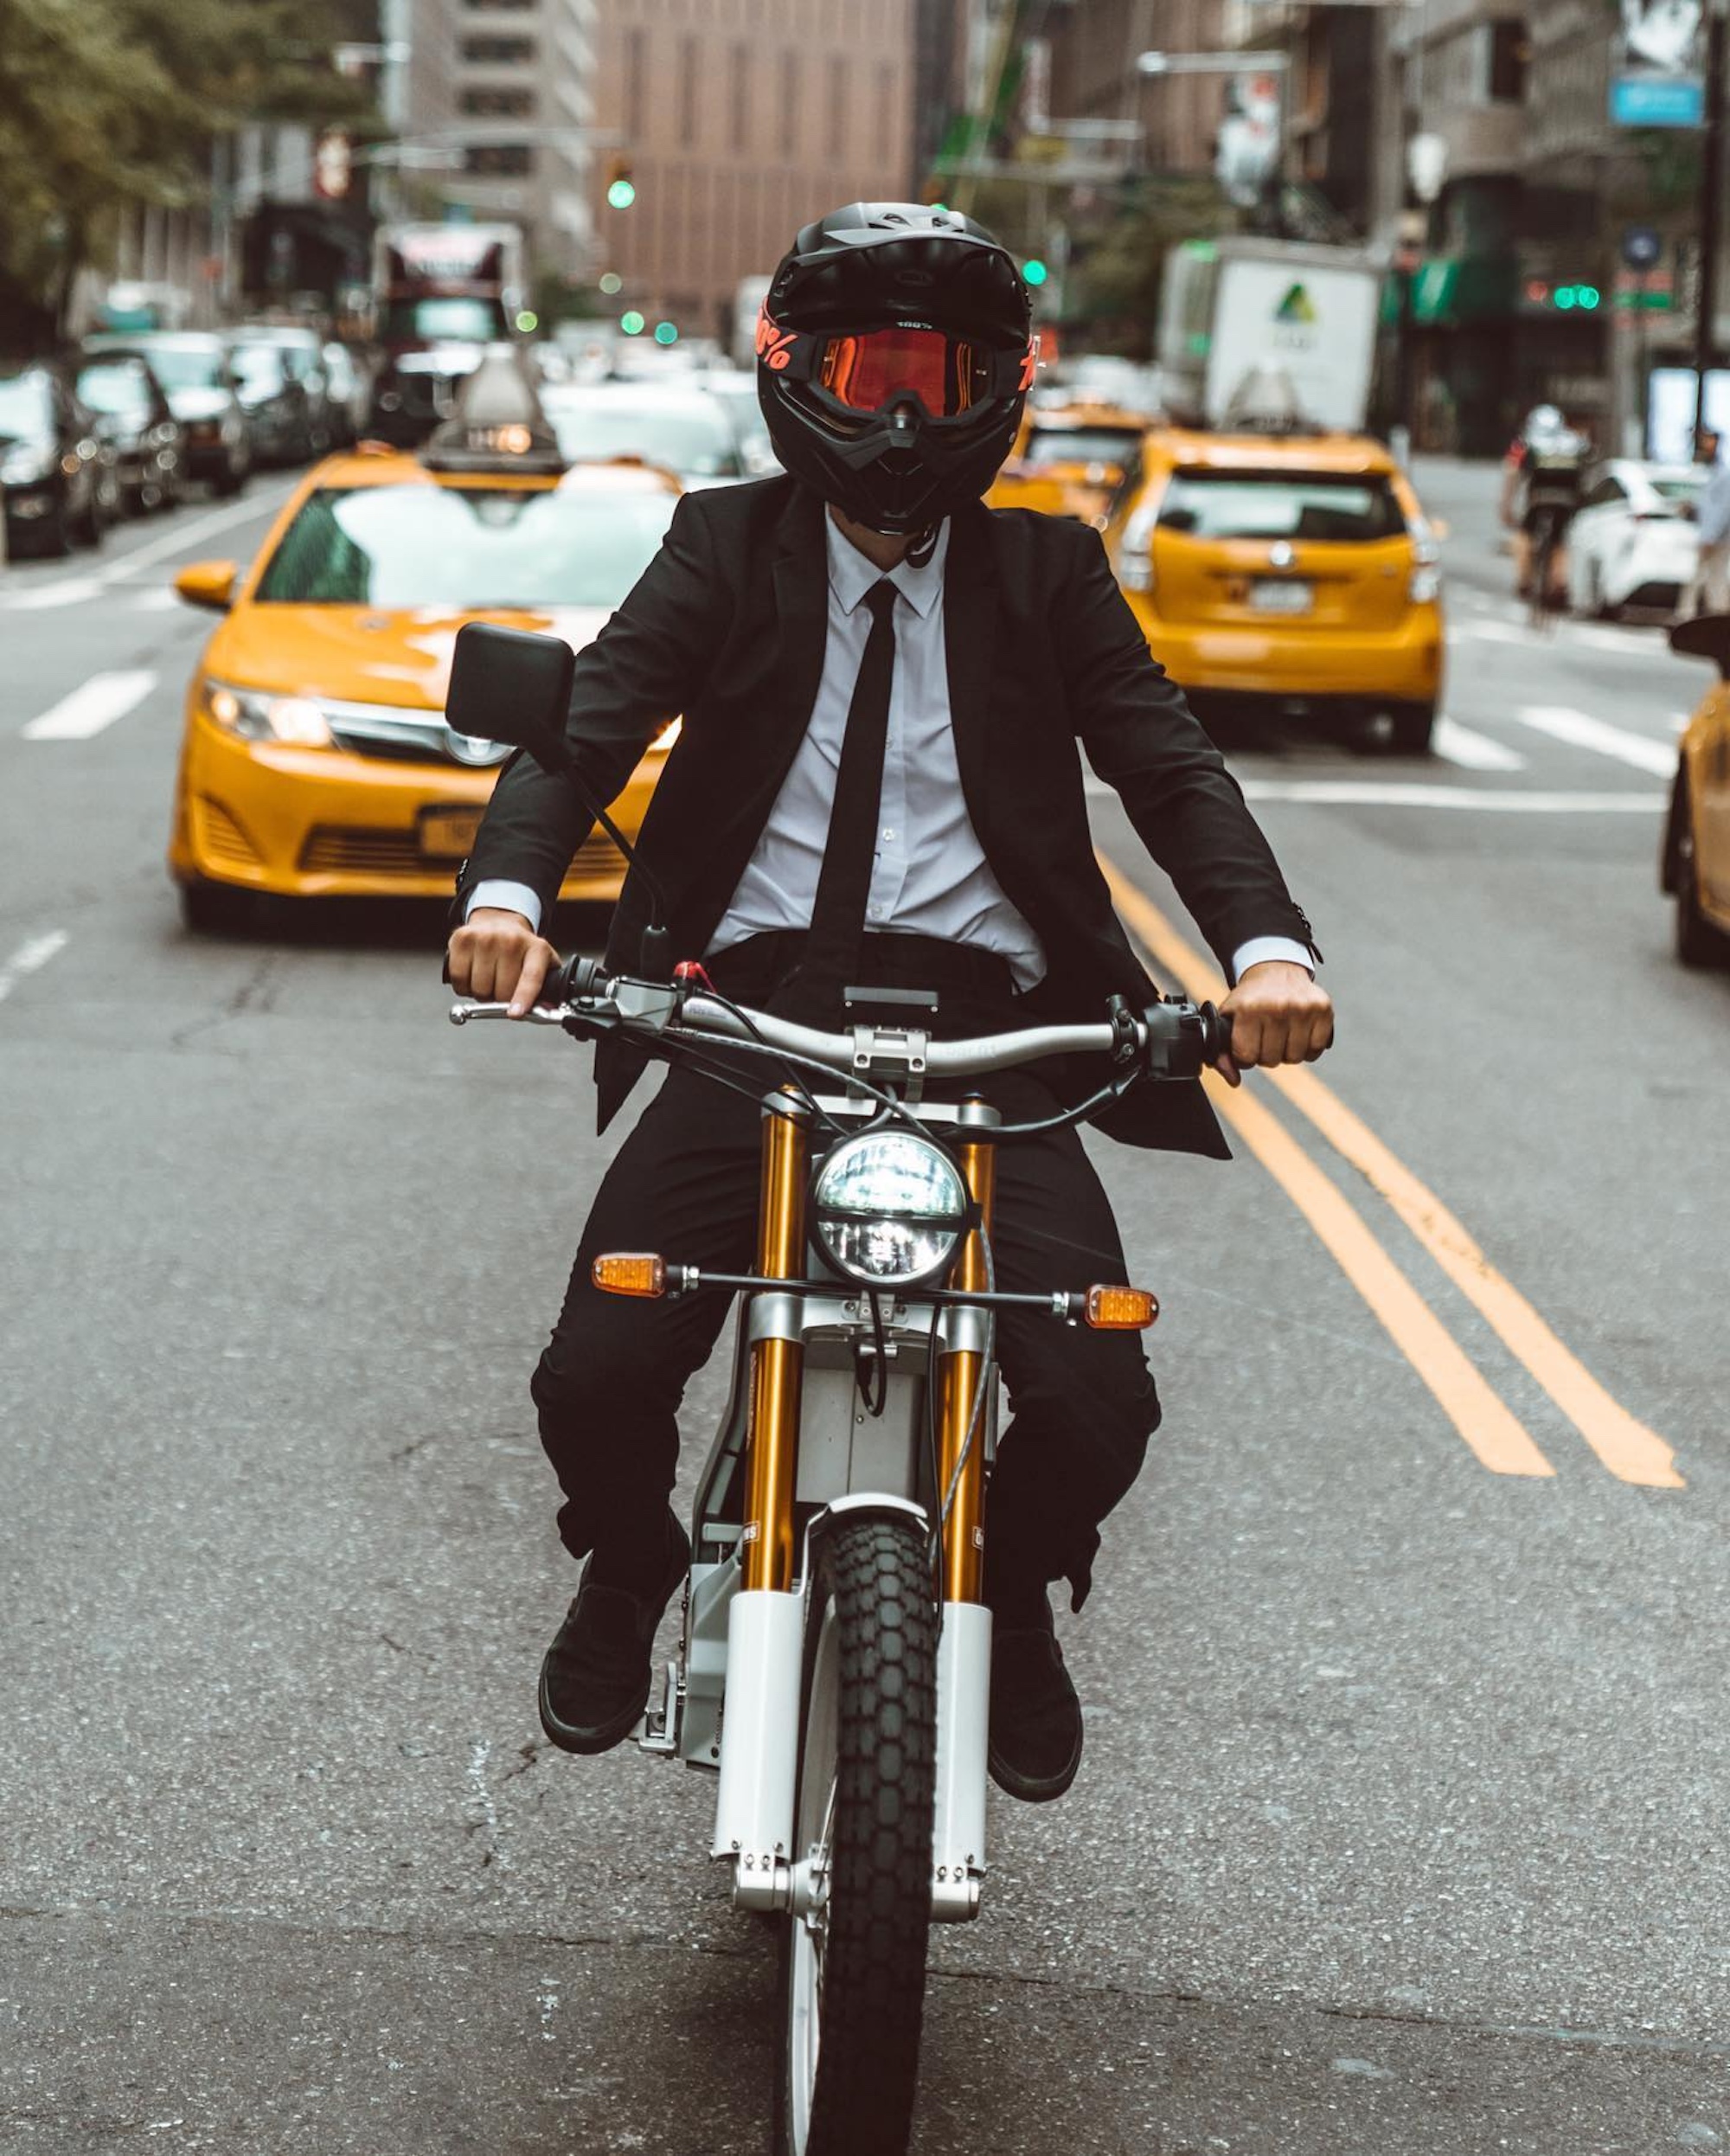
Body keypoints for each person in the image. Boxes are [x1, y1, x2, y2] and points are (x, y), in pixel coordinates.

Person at [445, 204, 1333, 1803]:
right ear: (801, 373)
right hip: (755, 1019)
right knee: (596, 1369)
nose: (906, 412)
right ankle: (632, 1562)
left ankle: (996, 1574)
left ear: (1000, 385)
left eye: (942, 372)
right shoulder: (724, 543)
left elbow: (1169, 767)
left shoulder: (1050, 569)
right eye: (872, 367)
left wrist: (1268, 953)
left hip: (998, 1036)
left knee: (1094, 1394)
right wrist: (507, 904)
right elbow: (584, 732)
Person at [1499, 404, 1590, 602]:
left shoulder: (1524, 443)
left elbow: (1512, 472)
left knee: (1524, 536)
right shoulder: (1575, 442)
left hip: (1538, 499)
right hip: (1567, 501)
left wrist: (1506, 506)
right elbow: (1587, 470)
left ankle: (1524, 580)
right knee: (1560, 542)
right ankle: (1559, 582)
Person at [1686, 427, 1730, 616]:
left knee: (1706, 578)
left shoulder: (1723, 473)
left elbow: (1723, 509)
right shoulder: (1712, 471)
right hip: (1712, 535)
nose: (1704, 445)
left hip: (1717, 538)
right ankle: (1713, 615)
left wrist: (1710, 536)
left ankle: (1691, 616)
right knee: (1710, 579)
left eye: (1708, 440)